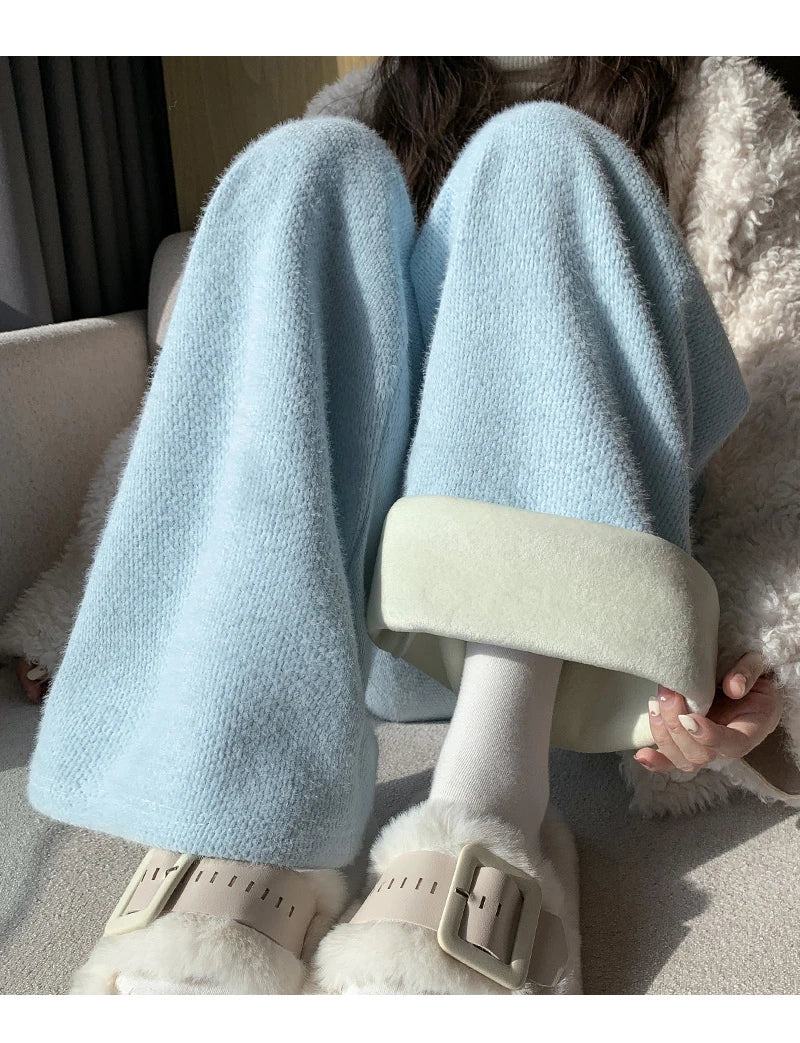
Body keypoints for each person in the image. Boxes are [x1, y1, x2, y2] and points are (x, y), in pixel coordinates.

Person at [6, 57, 797, 994]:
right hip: (360, 632)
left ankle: (486, 810)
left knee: (542, 156)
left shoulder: (724, 102)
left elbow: (779, 402)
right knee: (302, 168)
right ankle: (249, 820)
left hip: (582, 645)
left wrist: (752, 657)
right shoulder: (367, 107)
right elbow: (223, 418)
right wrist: (71, 609)